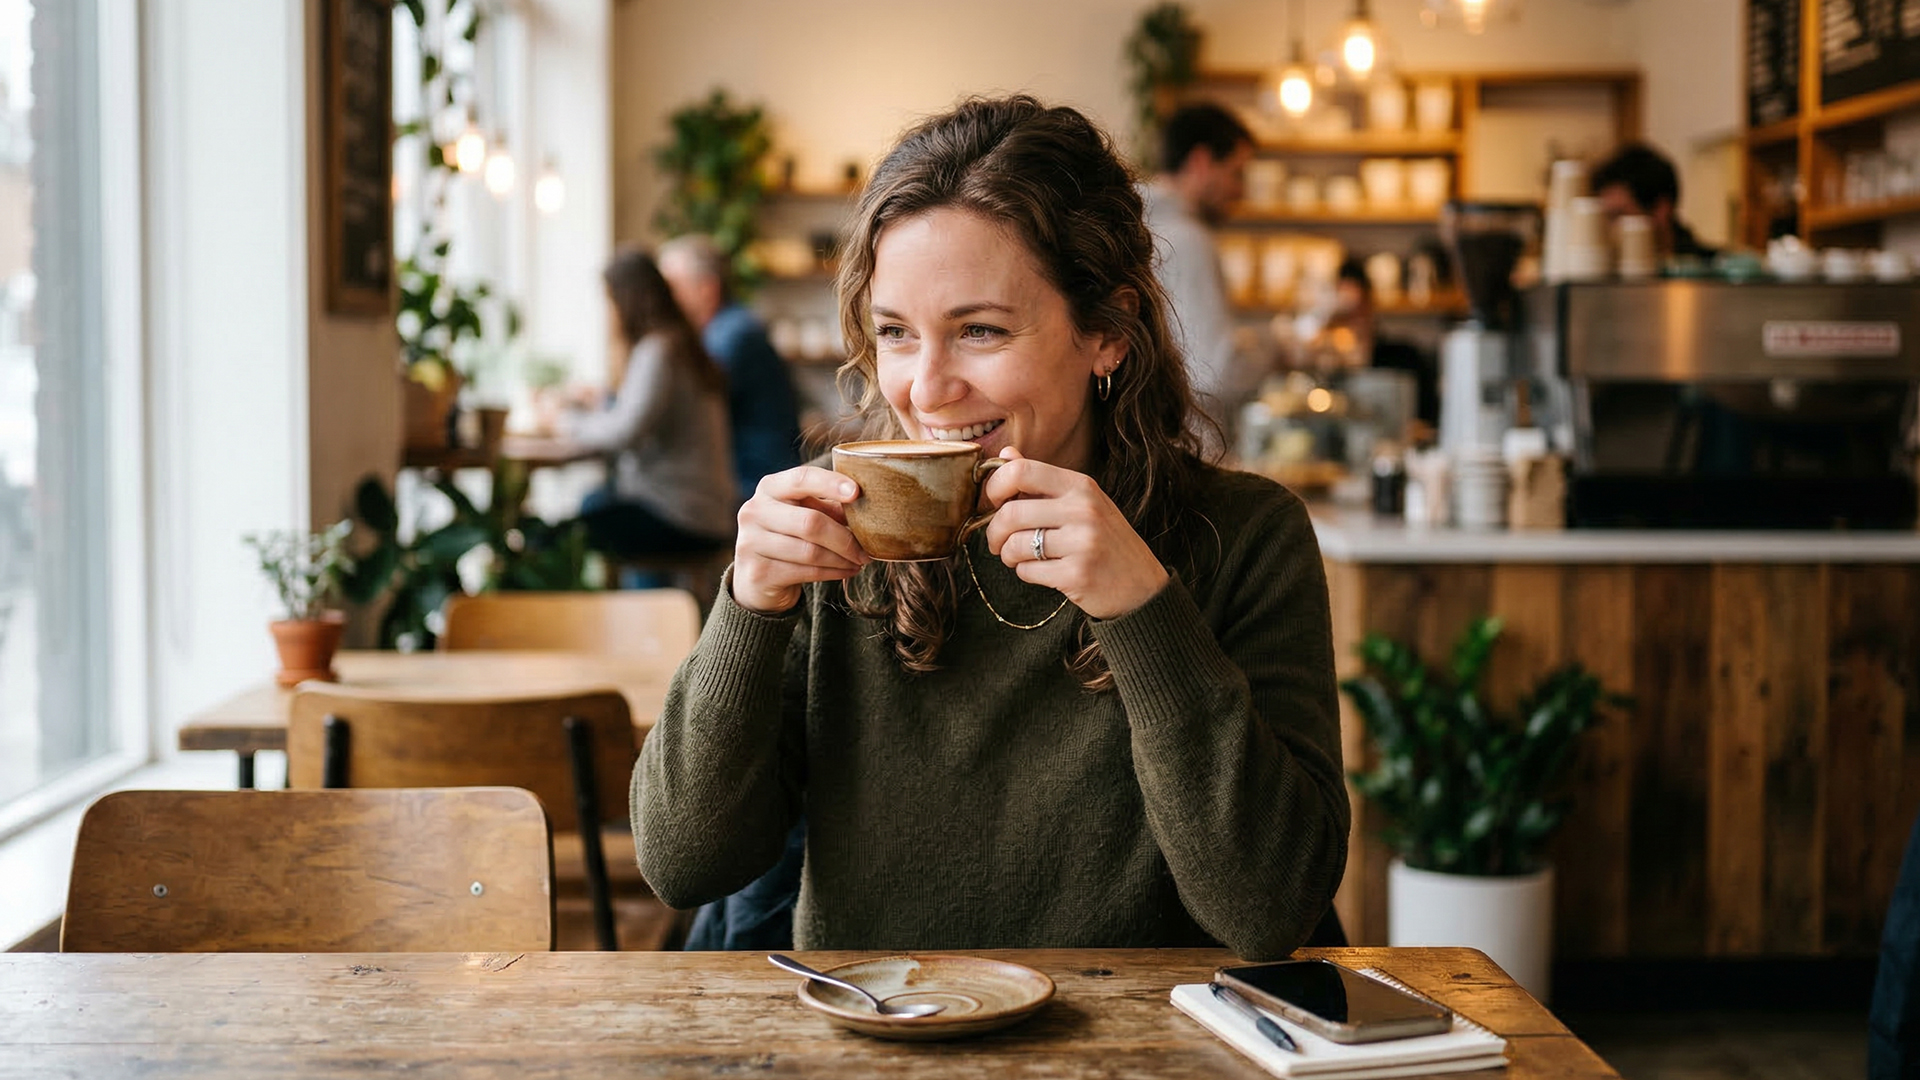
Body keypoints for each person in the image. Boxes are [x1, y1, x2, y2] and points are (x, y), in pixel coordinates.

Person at [633, 95, 1349, 958]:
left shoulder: (1246, 537)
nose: (927, 390)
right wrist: (747, 610)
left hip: (1139, 1052)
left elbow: (1272, 909)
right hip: (874, 1038)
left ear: (1108, 333)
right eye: (895, 333)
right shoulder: (831, 527)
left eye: (979, 330)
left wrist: (1143, 608)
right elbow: (683, 862)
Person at [560, 248, 737, 560]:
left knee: (565, 535)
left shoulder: (658, 350)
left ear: (624, 302)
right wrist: (602, 400)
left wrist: (562, 420)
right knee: (594, 504)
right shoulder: (681, 342)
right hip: (708, 511)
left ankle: (620, 608)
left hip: (682, 515)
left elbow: (624, 432)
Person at [1140, 102, 1258, 451]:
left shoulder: (1134, 224)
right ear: (1201, 162)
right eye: (1237, 173)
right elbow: (1214, 373)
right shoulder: (1188, 240)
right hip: (1187, 448)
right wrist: (1278, 348)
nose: (1240, 191)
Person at [656, 234, 805, 497]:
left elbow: (685, 402)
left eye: (671, 287)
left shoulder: (733, 335)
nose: (663, 300)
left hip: (754, 480)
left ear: (706, 288)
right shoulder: (722, 330)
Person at [1591, 143, 1717, 260]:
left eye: (1617, 216)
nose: (1608, 229)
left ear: (1660, 209)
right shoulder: (1606, 272)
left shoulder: (1714, 271)